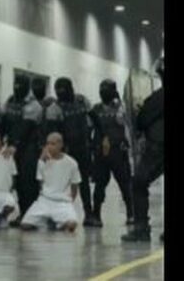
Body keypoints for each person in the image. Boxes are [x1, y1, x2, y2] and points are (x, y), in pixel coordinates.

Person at [122, 57, 164, 243]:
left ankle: (141, 229)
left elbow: (142, 120)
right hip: (157, 147)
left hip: (157, 148)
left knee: (139, 182)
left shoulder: (157, 98)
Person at [44, 77, 95, 226]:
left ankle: (89, 214)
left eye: (63, 90)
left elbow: (95, 120)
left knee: (84, 183)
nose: (61, 93)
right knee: (59, 184)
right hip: (65, 151)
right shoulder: (54, 108)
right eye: (58, 90)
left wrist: (98, 139)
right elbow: (52, 132)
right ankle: (56, 215)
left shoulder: (82, 101)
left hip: (82, 148)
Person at [0, 74, 43, 222]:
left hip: (28, 147)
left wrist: (14, 144)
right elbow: (2, 122)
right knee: (15, 181)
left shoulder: (33, 105)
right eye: (15, 84)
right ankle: (22, 213)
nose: (17, 88)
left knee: (28, 182)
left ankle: (30, 215)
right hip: (12, 146)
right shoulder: (10, 101)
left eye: (20, 85)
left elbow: (26, 127)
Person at [89, 79, 134, 227]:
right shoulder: (95, 109)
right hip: (101, 152)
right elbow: (89, 128)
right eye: (101, 89)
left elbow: (128, 126)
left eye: (107, 89)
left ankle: (131, 213)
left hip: (117, 151)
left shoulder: (121, 108)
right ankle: (96, 214)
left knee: (124, 183)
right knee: (100, 184)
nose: (103, 92)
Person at [20, 133, 80, 233]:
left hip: (62, 202)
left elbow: (75, 185)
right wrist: (42, 161)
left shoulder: (71, 163)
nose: (49, 147)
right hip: (45, 200)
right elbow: (40, 183)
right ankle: (47, 220)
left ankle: (58, 221)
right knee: (25, 225)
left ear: (60, 145)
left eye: (53, 144)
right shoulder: (42, 161)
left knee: (72, 225)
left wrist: (69, 200)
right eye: (47, 144)